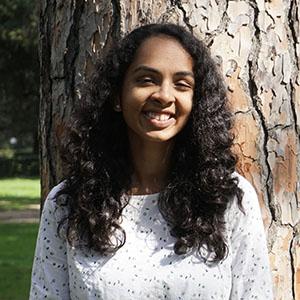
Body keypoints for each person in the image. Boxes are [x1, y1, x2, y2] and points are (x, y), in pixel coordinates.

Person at [30, 23, 273, 299]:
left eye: (182, 84)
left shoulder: (228, 198)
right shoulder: (68, 203)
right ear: (116, 95)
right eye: (147, 80)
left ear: (197, 101)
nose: (164, 96)